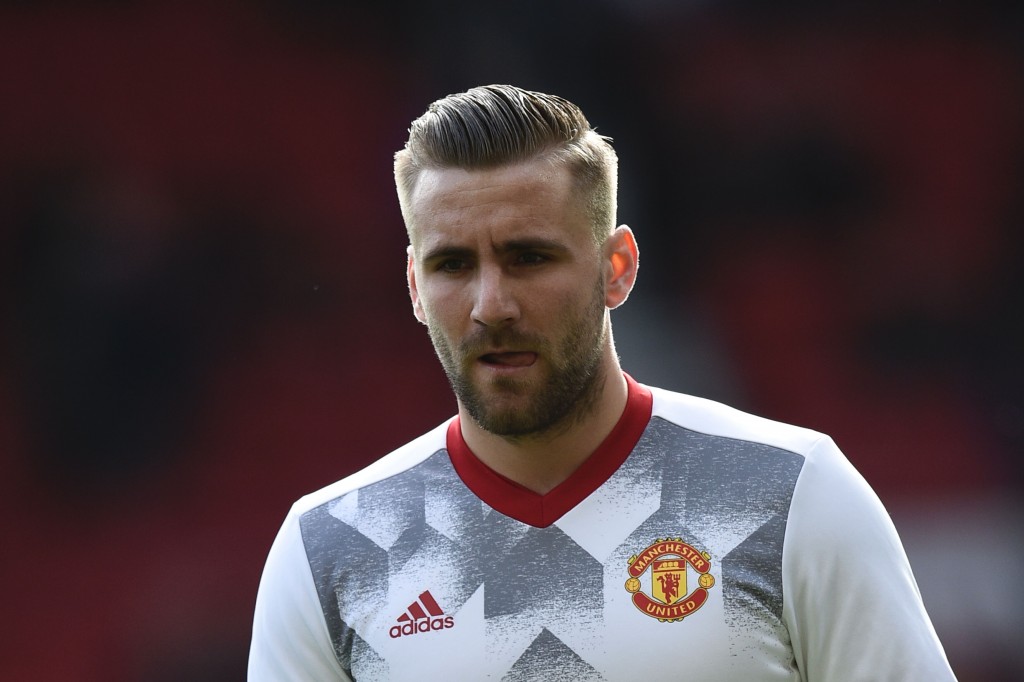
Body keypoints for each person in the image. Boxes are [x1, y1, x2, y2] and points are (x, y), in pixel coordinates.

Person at [248, 84, 956, 681]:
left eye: (529, 257)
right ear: (412, 284)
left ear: (617, 268)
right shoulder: (333, 548)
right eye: (453, 265)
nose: (491, 304)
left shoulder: (790, 495)